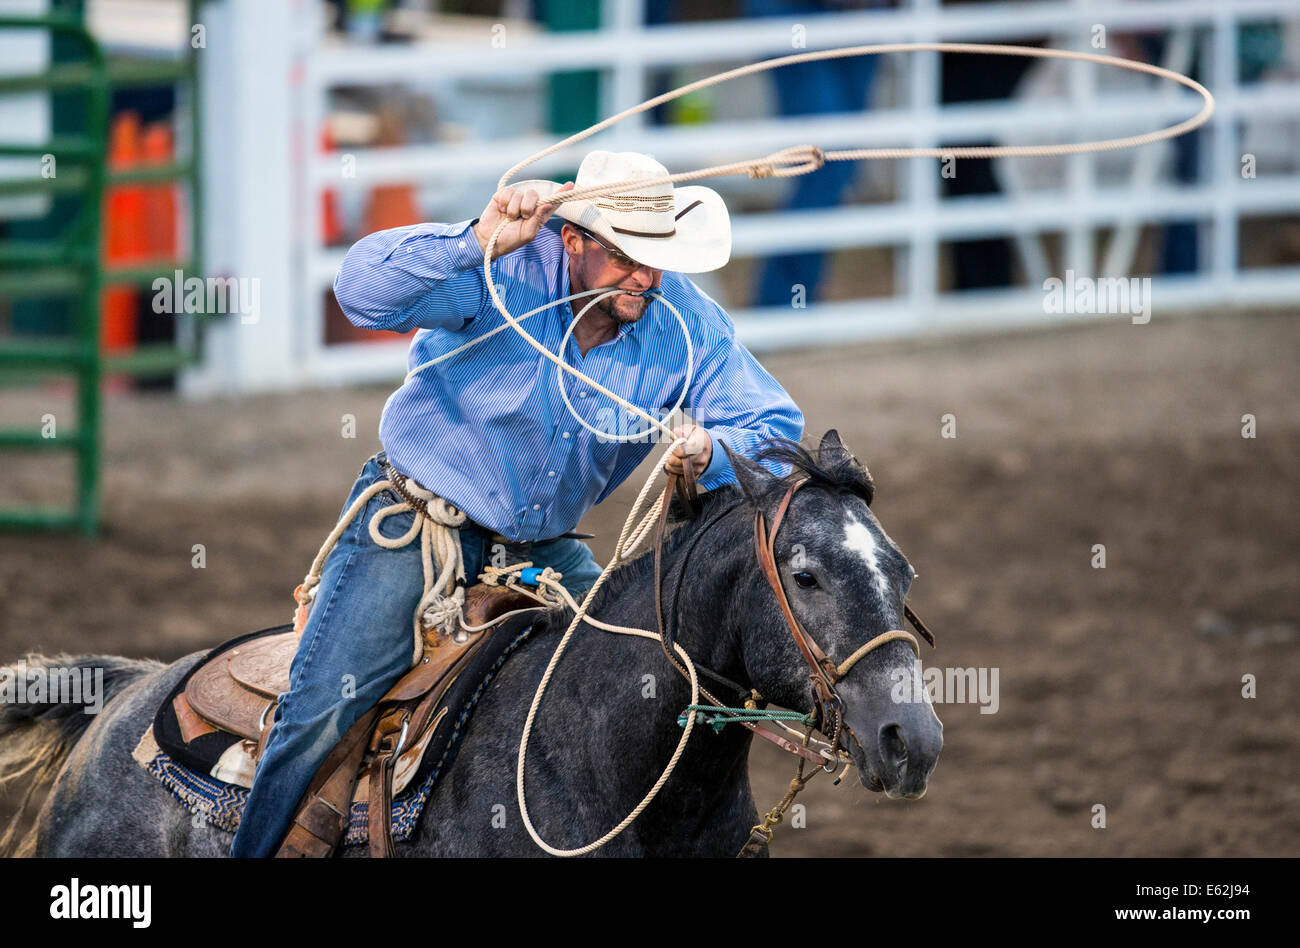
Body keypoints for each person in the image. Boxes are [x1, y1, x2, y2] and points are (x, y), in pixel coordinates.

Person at [228, 150, 805, 857]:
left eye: (660, 258)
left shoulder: (684, 321)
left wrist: (711, 454)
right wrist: (476, 241)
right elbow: (362, 292)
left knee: (654, 678)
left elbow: (775, 429)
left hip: (546, 545)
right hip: (421, 522)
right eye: (628, 257)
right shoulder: (500, 273)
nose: (647, 277)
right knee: (324, 704)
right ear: (573, 241)